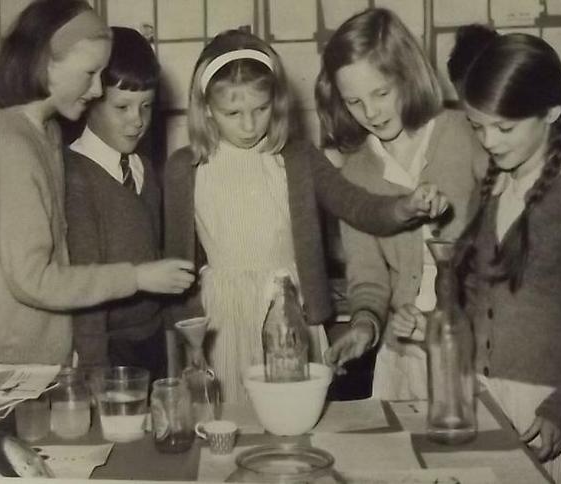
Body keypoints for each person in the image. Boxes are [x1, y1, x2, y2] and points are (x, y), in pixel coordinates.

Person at [164, 29, 449, 403]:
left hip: (291, 312)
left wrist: (404, 207)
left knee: (295, 416)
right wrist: (185, 341)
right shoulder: (184, 168)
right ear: (205, 109)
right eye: (232, 113)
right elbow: (176, 270)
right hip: (223, 319)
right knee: (230, 417)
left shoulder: (298, 158)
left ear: (278, 102)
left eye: (261, 109)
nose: (249, 125)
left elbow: (356, 205)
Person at [0, 0, 194, 366]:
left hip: (40, 354)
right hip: (6, 360)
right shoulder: (9, 144)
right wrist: (136, 277)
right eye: (90, 73)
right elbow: (34, 280)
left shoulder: (44, 133)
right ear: (47, 63)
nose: (98, 89)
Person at [452, 27, 561, 484]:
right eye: (478, 126)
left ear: (550, 111)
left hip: (553, 411)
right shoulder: (492, 188)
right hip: (490, 399)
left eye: (504, 128)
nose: (489, 141)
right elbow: (477, 295)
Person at [317, 8, 487, 399]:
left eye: (381, 93)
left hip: (474, 345)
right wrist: (364, 325)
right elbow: (369, 277)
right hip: (404, 354)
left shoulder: (466, 134)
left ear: (408, 76)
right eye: (354, 101)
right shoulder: (356, 173)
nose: (370, 113)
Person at [64, 27, 169, 380]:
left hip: (151, 339)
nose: (137, 120)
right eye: (122, 107)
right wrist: (94, 366)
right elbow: (84, 286)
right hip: (106, 346)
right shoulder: (75, 176)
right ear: (90, 99)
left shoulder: (144, 168)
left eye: (146, 106)